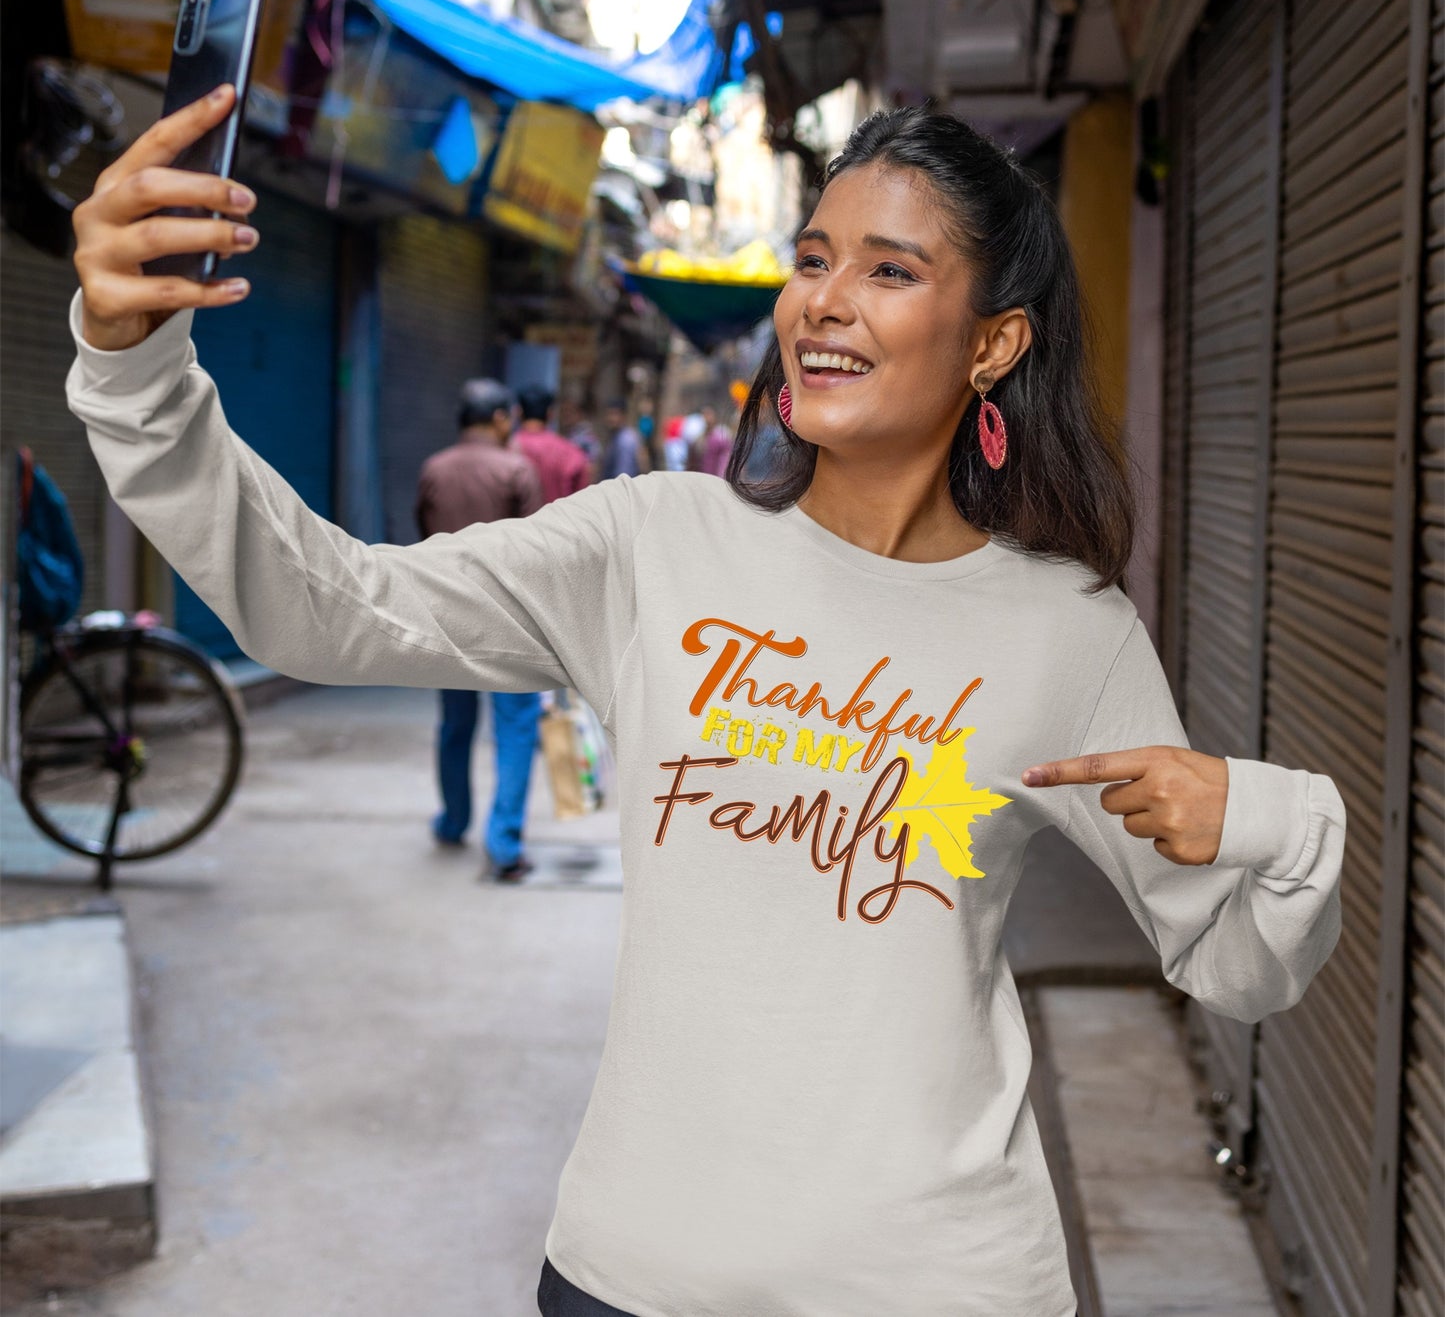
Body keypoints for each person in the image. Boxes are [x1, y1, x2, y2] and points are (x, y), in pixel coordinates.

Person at [68, 88, 1345, 1317]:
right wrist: (139, 380)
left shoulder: (1062, 631)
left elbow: (1230, 965)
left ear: (994, 341)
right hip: (637, 1273)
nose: (823, 305)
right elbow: (323, 605)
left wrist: (1276, 819)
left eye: (888, 271)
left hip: (937, 1283)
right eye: (812, 258)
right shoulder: (652, 543)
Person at [415, 378, 543, 880]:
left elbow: (423, 540)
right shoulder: (516, 469)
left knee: (455, 726)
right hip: (509, 624)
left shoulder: (433, 470)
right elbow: (539, 554)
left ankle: (453, 822)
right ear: (498, 419)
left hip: (447, 617)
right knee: (515, 728)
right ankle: (505, 843)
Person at [512, 385, 591, 504]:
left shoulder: (505, 449)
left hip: (511, 523)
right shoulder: (571, 452)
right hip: (558, 522)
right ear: (550, 414)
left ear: (518, 412)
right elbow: (582, 502)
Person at [599, 400, 645, 480]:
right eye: (608, 414)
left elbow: (623, 474)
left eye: (614, 414)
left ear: (623, 415)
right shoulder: (615, 437)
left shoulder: (626, 439)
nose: (610, 418)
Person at [685, 403, 734, 477]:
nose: (706, 418)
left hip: (716, 477)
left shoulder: (721, 435)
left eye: (708, 414)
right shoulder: (699, 437)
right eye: (704, 415)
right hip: (702, 476)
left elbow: (724, 460)